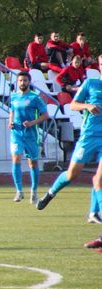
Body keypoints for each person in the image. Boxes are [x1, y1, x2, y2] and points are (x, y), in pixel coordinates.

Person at [37, 52, 102, 213]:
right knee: (72, 174)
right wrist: (87, 106)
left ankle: (94, 213)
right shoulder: (91, 84)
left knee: (100, 179)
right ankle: (51, 193)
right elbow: (73, 105)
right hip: (89, 136)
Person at [8, 71, 49, 204]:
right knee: (16, 158)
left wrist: (32, 123)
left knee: (33, 163)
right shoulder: (14, 96)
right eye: (20, 80)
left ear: (29, 82)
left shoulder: (35, 98)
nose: (22, 83)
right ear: (17, 82)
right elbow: (12, 110)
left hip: (31, 134)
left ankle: (34, 191)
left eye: (25, 80)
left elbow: (45, 115)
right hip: (17, 133)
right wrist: (10, 122)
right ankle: (19, 191)